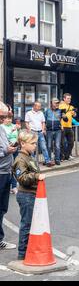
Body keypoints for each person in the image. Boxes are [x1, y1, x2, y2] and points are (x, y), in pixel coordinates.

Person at [12, 130, 45, 260]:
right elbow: (22, 178)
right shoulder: (20, 159)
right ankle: (22, 253)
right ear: (23, 143)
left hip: (32, 194)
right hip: (26, 196)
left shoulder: (29, 157)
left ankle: (28, 251)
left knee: (31, 224)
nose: (35, 146)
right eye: (32, 143)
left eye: (35, 143)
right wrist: (36, 176)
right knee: (26, 224)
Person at [0, 102, 17, 251]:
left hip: (6, 172)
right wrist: (6, 151)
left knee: (2, 208)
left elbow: (4, 146)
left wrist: (11, 146)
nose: (4, 119)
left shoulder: (2, 129)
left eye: (6, 116)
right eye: (2, 116)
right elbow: (3, 151)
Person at [25, 102, 53, 167]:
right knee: (32, 148)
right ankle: (33, 163)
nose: (40, 108)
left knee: (44, 147)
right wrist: (29, 129)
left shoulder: (41, 113)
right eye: (38, 106)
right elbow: (26, 122)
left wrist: (43, 130)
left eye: (40, 106)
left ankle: (48, 161)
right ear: (34, 106)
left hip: (40, 132)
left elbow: (43, 122)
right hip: (33, 132)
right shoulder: (28, 113)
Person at [2, 113, 20, 194]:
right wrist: (12, 131)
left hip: (15, 149)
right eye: (7, 118)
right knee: (7, 169)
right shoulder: (2, 127)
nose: (9, 120)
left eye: (10, 118)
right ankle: (7, 186)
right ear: (3, 119)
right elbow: (6, 138)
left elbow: (17, 136)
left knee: (14, 168)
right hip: (7, 150)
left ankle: (14, 186)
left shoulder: (14, 125)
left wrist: (18, 130)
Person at [44, 98, 62, 166]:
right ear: (51, 103)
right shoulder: (47, 111)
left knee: (57, 146)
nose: (57, 104)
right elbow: (44, 120)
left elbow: (65, 119)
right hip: (49, 131)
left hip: (58, 130)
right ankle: (48, 160)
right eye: (55, 103)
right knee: (48, 146)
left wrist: (64, 117)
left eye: (58, 103)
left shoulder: (60, 111)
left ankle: (57, 159)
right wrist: (44, 128)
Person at [59, 93, 77, 161]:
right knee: (62, 143)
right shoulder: (60, 106)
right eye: (68, 98)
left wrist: (74, 113)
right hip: (62, 127)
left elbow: (74, 115)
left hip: (69, 127)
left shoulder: (71, 107)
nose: (69, 100)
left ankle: (67, 156)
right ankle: (61, 157)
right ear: (64, 99)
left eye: (70, 98)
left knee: (71, 142)